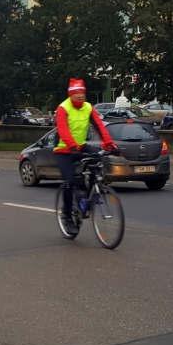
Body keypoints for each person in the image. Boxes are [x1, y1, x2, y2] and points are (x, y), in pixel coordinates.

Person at [54, 79, 118, 234]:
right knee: (69, 181)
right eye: (75, 93)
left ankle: (90, 191)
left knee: (98, 157)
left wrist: (110, 144)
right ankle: (68, 217)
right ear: (70, 94)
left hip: (81, 146)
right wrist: (71, 146)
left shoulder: (88, 107)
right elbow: (63, 129)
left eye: (81, 92)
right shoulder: (63, 108)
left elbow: (99, 126)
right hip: (64, 150)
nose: (79, 96)